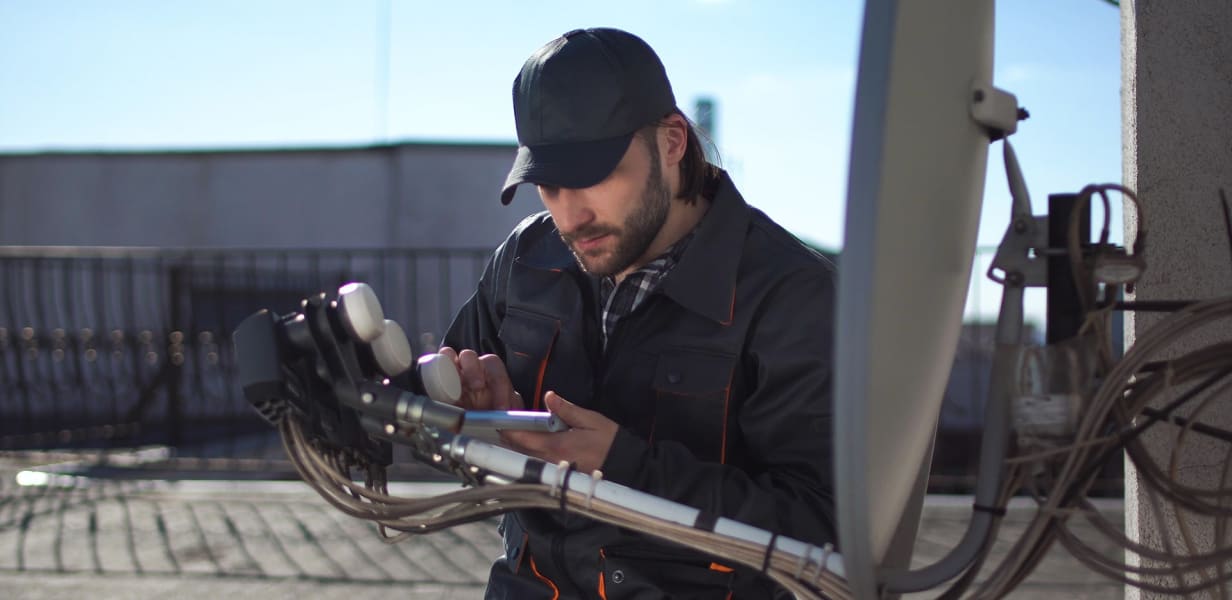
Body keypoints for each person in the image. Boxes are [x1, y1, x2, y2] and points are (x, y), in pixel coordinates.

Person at [441, 27, 837, 599]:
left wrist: (628, 469)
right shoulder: (526, 258)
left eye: (594, 174)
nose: (569, 215)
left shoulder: (791, 294)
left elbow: (824, 531)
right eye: (548, 186)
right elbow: (447, 430)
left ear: (672, 142)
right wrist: (469, 423)